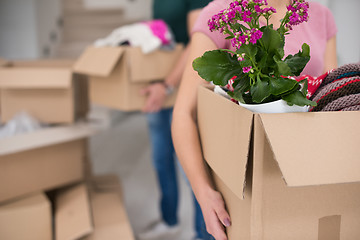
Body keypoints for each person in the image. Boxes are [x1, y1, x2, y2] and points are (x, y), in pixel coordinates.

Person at [171, 0, 338, 240]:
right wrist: (204, 193)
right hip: (236, 183)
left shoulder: (320, 15)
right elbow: (183, 113)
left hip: (304, 172)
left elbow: (328, 96)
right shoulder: (222, 11)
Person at [138, 1, 214, 240]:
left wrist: (167, 85)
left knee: (190, 167)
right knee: (161, 160)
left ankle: (202, 234)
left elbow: (197, 42)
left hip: (181, 87)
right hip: (158, 87)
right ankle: (169, 220)